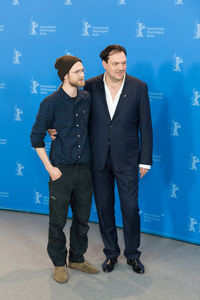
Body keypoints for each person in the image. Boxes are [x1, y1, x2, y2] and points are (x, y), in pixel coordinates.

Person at [49, 45, 153, 274]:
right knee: (105, 209)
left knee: (130, 208)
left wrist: (145, 160)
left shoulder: (139, 87)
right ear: (105, 64)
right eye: (115, 63)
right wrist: (52, 127)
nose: (120, 67)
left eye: (124, 63)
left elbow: (146, 125)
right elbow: (66, 100)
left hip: (127, 159)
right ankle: (111, 253)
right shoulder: (91, 85)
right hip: (97, 160)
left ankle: (133, 255)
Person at [30, 55, 98, 283]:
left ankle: (77, 259)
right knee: (57, 222)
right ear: (65, 75)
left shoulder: (87, 98)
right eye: (78, 71)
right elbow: (35, 138)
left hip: (85, 170)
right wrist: (50, 168)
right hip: (61, 171)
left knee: (82, 220)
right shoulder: (50, 103)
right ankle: (59, 263)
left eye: (83, 70)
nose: (83, 75)